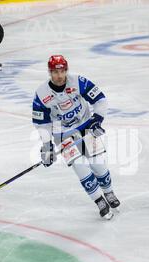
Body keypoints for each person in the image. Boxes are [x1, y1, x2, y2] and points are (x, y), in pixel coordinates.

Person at [32, 55, 120, 220]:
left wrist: (96, 120)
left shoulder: (78, 82)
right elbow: (41, 123)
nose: (59, 76)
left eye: (62, 71)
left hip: (86, 125)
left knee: (98, 164)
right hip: (62, 133)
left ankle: (108, 192)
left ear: (66, 70)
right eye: (55, 72)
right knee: (80, 167)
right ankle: (99, 200)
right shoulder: (41, 93)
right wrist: (46, 146)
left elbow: (100, 99)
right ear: (49, 72)